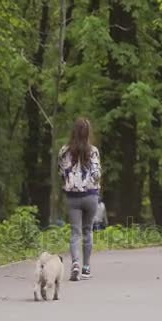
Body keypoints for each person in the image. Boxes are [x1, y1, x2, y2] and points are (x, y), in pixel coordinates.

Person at [58, 118, 101, 281]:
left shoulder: (64, 151)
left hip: (72, 198)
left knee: (75, 232)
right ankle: (86, 268)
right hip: (91, 196)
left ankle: (75, 263)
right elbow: (97, 174)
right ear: (88, 133)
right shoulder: (93, 151)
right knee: (88, 231)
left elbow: (61, 172)